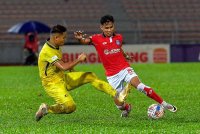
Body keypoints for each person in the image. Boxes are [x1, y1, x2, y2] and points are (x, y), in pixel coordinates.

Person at [74, 15, 177, 117]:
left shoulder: (119, 37)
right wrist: (80, 39)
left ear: (114, 26)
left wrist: (125, 55)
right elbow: (84, 41)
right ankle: (127, 108)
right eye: (106, 28)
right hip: (112, 75)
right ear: (101, 27)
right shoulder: (96, 38)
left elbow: (118, 48)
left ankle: (164, 104)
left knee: (140, 86)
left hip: (124, 68)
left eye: (111, 27)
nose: (109, 30)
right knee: (119, 104)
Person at [35, 24, 127, 121]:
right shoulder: (47, 51)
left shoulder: (55, 45)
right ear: (56, 37)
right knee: (70, 107)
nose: (65, 40)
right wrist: (78, 60)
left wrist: (72, 70)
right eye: (63, 37)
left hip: (62, 78)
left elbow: (60, 65)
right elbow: (63, 66)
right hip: (52, 84)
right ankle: (47, 109)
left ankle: (117, 95)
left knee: (89, 76)